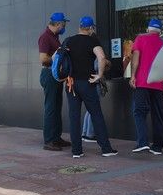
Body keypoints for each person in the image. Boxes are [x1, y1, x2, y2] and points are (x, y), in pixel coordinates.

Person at [66, 16, 117, 158]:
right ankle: (106, 149)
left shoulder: (69, 40)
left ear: (79, 27)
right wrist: (100, 75)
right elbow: (101, 58)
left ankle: (76, 151)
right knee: (96, 114)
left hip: (71, 84)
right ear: (91, 28)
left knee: (74, 117)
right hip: (87, 83)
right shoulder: (92, 40)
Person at [129, 18, 163, 155]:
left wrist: (133, 76)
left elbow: (135, 60)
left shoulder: (140, 39)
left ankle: (143, 143)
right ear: (160, 31)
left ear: (148, 29)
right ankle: (158, 147)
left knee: (139, 112)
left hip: (142, 82)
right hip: (158, 83)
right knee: (157, 115)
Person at [38, 12, 70, 151]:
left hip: (55, 76)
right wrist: (57, 57)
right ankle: (49, 140)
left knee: (57, 107)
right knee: (51, 108)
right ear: (58, 24)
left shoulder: (55, 37)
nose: (64, 26)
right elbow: (43, 59)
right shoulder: (45, 37)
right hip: (49, 74)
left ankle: (56, 137)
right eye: (63, 24)